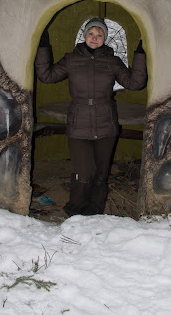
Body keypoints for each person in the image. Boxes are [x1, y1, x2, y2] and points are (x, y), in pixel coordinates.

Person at [35, 17, 147, 217]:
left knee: (101, 174)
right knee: (82, 173)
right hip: (79, 124)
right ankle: (76, 211)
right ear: (85, 35)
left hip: (106, 124)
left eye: (100, 35)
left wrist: (140, 55)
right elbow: (47, 75)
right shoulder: (71, 59)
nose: (95, 38)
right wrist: (43, 47)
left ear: (105, 38)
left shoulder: (112, 62)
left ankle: (95, 212)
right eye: (91, 34)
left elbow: (135, 83)